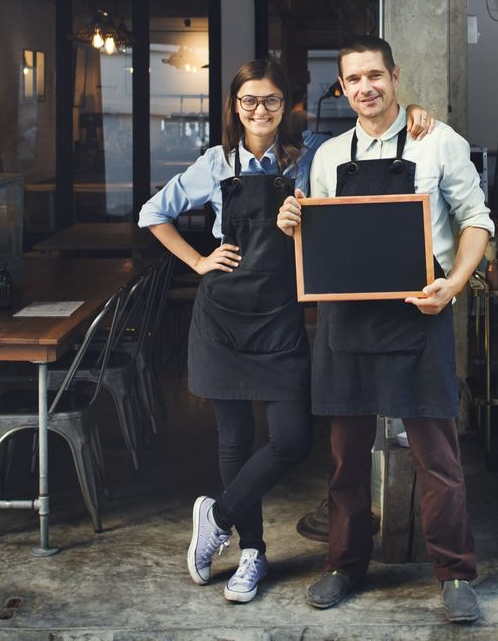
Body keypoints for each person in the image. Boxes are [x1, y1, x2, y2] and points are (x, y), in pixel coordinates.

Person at [138, 58, 434, 604]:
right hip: (223, 314)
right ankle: (251, 552)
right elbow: (153, 213)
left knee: (293, 440)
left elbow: (371, 134)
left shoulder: (310, 157)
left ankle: (217, 514)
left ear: (286, 105)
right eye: (248, 100)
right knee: (234, 440)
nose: (259, 110)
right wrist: (199, 261)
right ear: (234, 106)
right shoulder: (215, 163)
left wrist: (413, 112)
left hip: (280, 313)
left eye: (271, 100)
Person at [276, 35, 493, 623]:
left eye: (375, 75)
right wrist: (292, 220)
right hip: (346, 320)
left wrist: (452, 284)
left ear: (395, 76)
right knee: (346, 458)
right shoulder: (326, 157)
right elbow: (317, 242)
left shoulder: (437, 141)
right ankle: (344, 565)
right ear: (342, 89)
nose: (365, 88)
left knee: (438, 457)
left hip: (420, 313)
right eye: (353, 80)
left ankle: (454, 573)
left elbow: (476, 221)